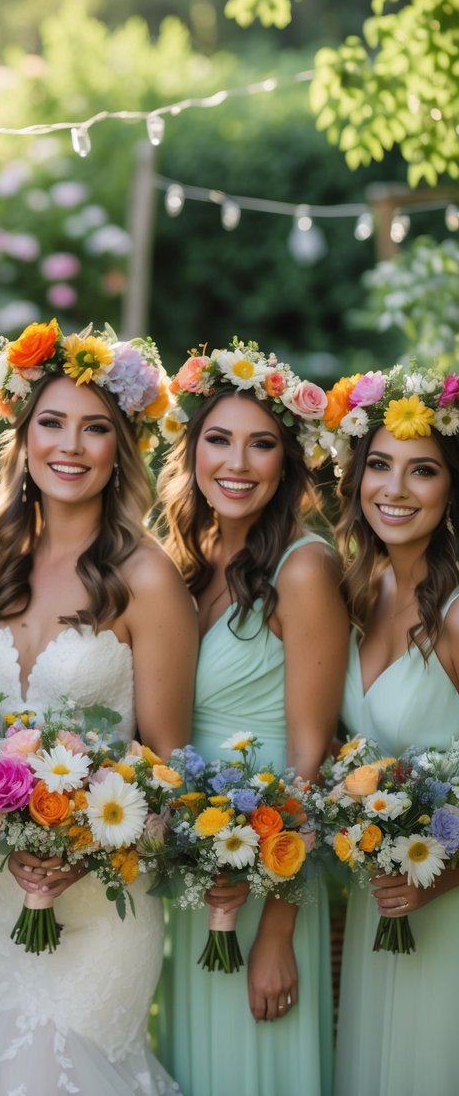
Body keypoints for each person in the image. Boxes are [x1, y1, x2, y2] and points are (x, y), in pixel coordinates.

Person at [0, 319, 198, 1096]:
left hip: (103, 898)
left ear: (122, 447)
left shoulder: (147, 579)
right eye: (52, 422)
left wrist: (81, 842)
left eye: (95, 429)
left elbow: (169, 767)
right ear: (24, 432)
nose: (71, 446)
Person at [155, 340, 349, 1096]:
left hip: (274, 876)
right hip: (198, 873)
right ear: (193, 449)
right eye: (219, 439)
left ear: (287, 462)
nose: (237, 462)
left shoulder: (303, 568)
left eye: (262, 443)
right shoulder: (188, 561)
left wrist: (278, 929)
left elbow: (314, 752)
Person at [330, 366, 459, 1096]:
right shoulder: (357, 589)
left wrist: (447, 875)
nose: (396, 488)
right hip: (379, 899)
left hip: (442, 910)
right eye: (379, 464)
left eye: (423, 471)